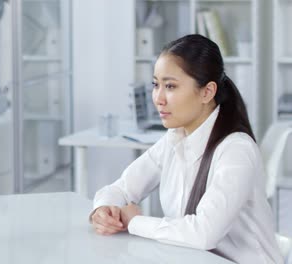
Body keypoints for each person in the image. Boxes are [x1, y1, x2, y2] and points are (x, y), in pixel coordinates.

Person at [90, 34, 282, 263]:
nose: (158, 98)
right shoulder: (174, 139)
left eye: (170, 86)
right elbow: (121, 189)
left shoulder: (235, 150)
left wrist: (134, 222)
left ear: (207, 92)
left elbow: (204, 233)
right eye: (156, 85)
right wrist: (103, 211)